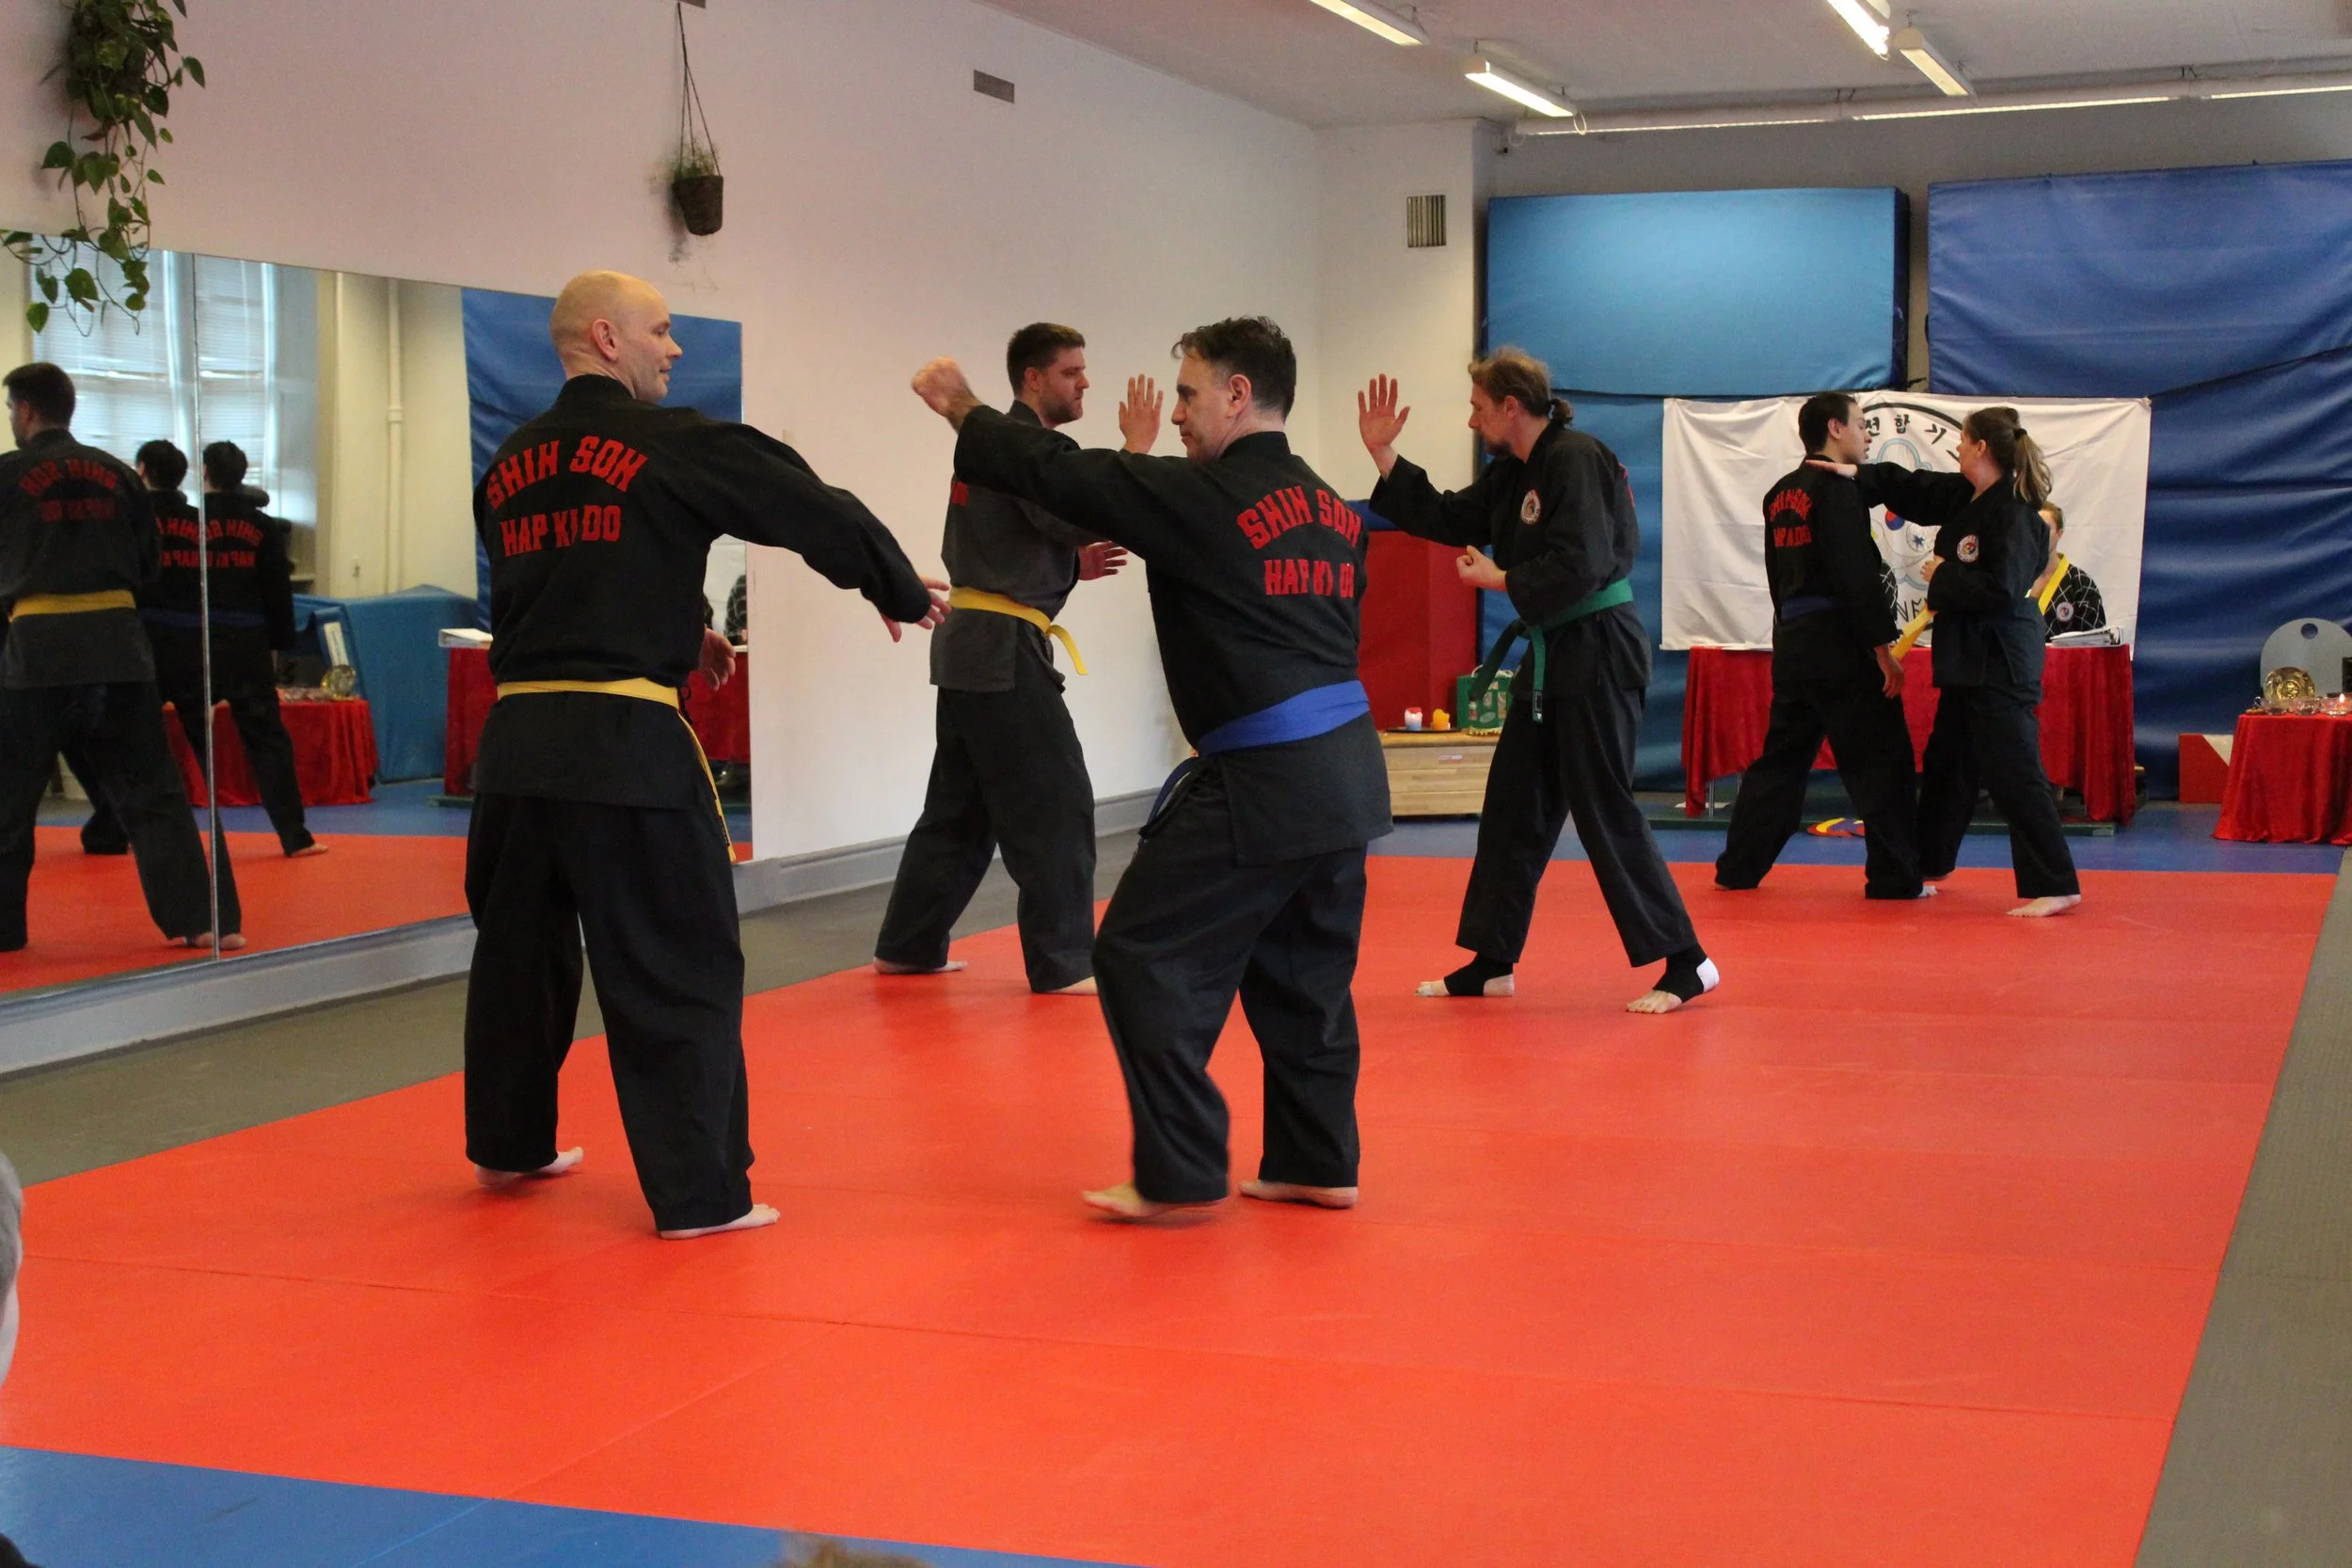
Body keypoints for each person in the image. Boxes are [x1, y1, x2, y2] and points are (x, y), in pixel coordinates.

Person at [465, 271, 945, 1239]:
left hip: (515, 749)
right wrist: (893, 585)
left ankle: (509, 1141)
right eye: (662, 330)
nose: (674, 349)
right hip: (625, 744)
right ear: (607, 338)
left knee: (520, 954)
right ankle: (699, 1193)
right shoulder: (668, 440)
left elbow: (569, 568)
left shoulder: (508, 461)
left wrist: (684, 623)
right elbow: (804, 498)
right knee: (676, 960)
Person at [912, 315, 1389, 1221]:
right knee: (1301, 973)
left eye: (1187, 393)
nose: (1175, 415)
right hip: (1349, 774)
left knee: (1136, 953)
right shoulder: (1334, 509)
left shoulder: (1201, 497)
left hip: (1263, 777)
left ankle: (1180, 1168)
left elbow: (1060, 471)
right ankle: (1317, 1157)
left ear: (1238, 396)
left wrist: (967, 410)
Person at [1359, 351, 1717, 1013]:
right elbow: (1444, 516)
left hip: (1600, 652)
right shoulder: (1512, 474)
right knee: (1513, 807)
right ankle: (1492, 960)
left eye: (1477, 406)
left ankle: (1687, 960)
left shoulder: (1575, 458)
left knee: (1603, 806)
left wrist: (1501, 581)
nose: (1472, 419)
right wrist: (1384, 455)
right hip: (1554, 656)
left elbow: (1582, 560)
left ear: (1510, 407)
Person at [873, 323, 1141, 996]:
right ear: (1032, 379)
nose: (1084, 382)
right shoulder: (1024, 447)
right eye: (1071, 372)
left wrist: (1065, 567)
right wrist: (1135, 457)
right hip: (998, 650)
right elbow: (1078, 511)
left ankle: (908, 945)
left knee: (961, 809)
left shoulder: (996, 450)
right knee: (1057, 801)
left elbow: (1023, 538)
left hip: (975, 642)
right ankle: (1065, 962)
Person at [0, 362, 236, 954]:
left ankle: (3, 931)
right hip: (120, 646)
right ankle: (203, 919)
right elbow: (150, 565)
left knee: (9, 797)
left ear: (26, 411)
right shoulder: (117, 475)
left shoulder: (7, 474)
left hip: (39, 649)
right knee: (155, 791)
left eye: (11, 410)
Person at [1811, 406, 2082, 917]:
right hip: (1968, 663)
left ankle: (2056, 881)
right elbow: (1913, 487)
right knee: (1948, 766)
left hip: (2001, 662)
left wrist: (1941, 575)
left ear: (1981, 447)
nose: (1957, 447)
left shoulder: (2017, 512)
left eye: (1963, 440)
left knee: (2014, 770)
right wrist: (1857, 474)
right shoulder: (1967, 496)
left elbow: (2003, 587)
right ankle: (1928, 863)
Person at [1714, 392, 1925, 900]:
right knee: (1882, 760)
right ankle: (1895, 878)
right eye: (1860, 425)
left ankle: (1738, 867)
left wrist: (1787, 632)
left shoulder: (1778, 493)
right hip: (1841, 646)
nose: (1868, 435)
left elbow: (1776, 575)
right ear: (1835, 428)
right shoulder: (1837, 490)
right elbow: (1855, 576)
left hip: (1794, 642)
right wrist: (1881, 649)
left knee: (1781, 762)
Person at [80, 440, 320, 859]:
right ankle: (295, 834)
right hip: (237, 644)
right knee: (264, 741)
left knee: (133, 740)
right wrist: (279, 646)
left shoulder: (172, 523)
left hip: (170, 642)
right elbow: (277, 595)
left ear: (204, 473)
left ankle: (113, 831)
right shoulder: (250, 527)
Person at [2032, 502, 2107, 640]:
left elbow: (2093, 644)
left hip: (2063, 660)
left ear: (2059, 534)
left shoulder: (2080, 583)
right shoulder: (2015, 579)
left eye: (2045, 529)